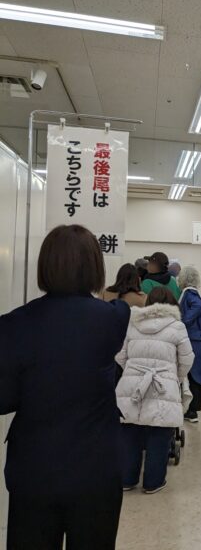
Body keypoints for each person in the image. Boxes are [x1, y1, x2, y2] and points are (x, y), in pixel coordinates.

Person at [0, 224, 130, 549]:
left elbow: (3, 399)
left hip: (33, 468)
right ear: (95, 268)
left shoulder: (13, 324)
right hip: (97, 467)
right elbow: (119, 304)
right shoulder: (111, 319)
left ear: (45, 266)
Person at [116, 287, 194, 494]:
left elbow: (120, 355)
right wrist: (175, 375)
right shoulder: (177, 326)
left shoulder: (132, 323)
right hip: (163, 383)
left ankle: (127, 479)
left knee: (130, 430)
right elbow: (187, 359)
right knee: (160, 432)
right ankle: (153, 481)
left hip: (132, 384)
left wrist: (133, 370)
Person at [178, 266, 201, 422]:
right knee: (193, 376)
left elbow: (198, 308)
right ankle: (191, 410)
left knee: (191, 375)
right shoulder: (193, 293)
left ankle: (191, 411)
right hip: (197, 338)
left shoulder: (189, 293)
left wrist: (184, 320)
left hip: (193, 339)